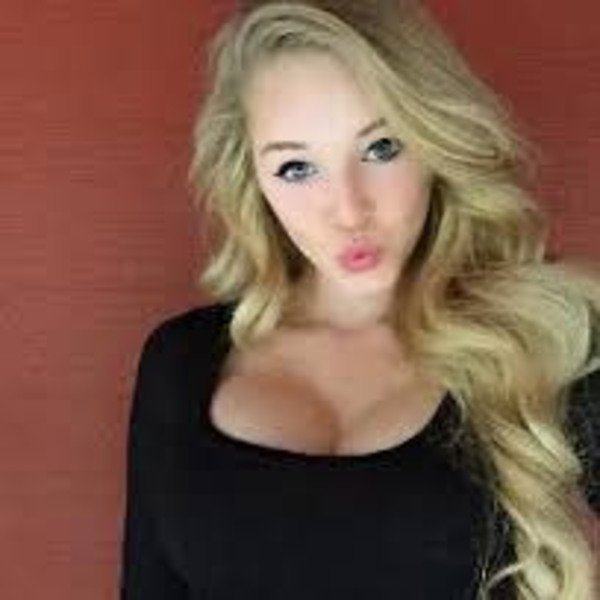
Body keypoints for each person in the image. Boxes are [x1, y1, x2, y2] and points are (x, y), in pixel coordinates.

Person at [119, 1, 600, 598]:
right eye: (297, 168)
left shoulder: (549, 335)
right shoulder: (181, 363)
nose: (348, 210)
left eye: (381, 148)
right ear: (252, 179)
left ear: (434, 140)